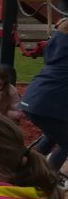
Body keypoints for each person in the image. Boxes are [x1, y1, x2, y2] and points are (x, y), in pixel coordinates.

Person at [19, 17, 68, 172]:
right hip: (46, 103)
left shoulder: (56, 44)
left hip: (33, 98)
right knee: (66, 142)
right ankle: (47, 178)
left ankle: (31, 170)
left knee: (52, 135)